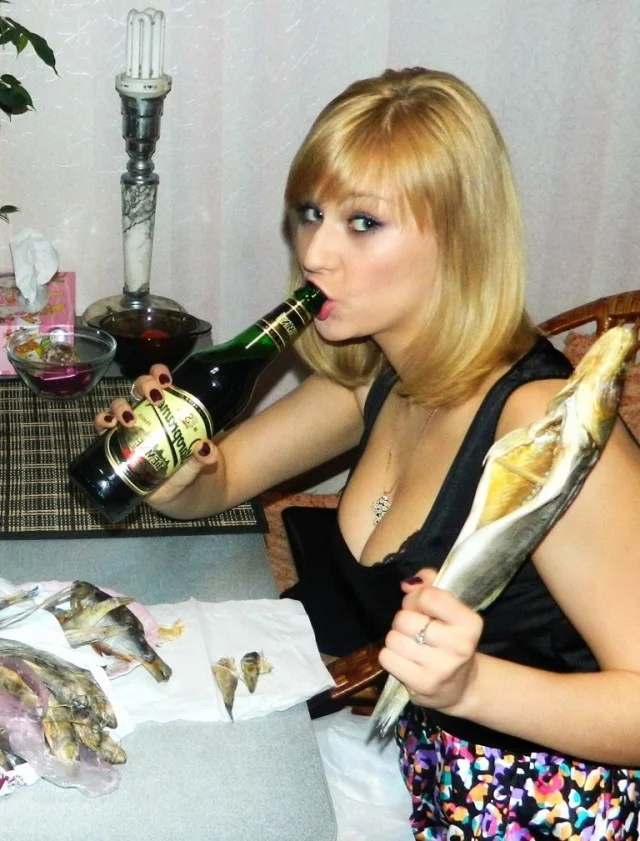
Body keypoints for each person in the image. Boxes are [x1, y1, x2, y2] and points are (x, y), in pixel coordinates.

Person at [97, 68, 640, 838]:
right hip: (423, 768)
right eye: (311, 213)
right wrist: (178, 473)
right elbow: (222, 482)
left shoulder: (544, 429)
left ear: (459, 237)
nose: (316, 253)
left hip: (555, 812)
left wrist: (470, 685)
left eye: (362, 222)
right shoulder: (381, 376)